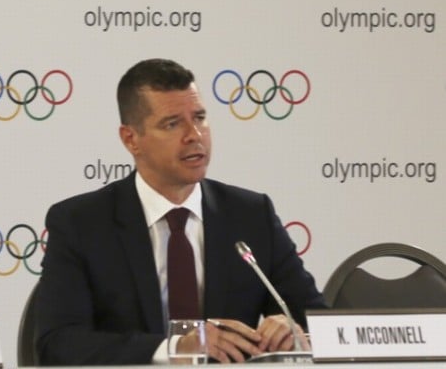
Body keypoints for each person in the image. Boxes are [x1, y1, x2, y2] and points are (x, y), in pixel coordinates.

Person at [34, 58, 326, 365]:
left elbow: (323, 324)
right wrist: (175, 348)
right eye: (172, 124)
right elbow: (58, 344)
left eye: (199, 118)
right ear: (131, 139)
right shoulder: (80, 224)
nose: (194, 135)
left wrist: (297, 332)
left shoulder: (252, 215)